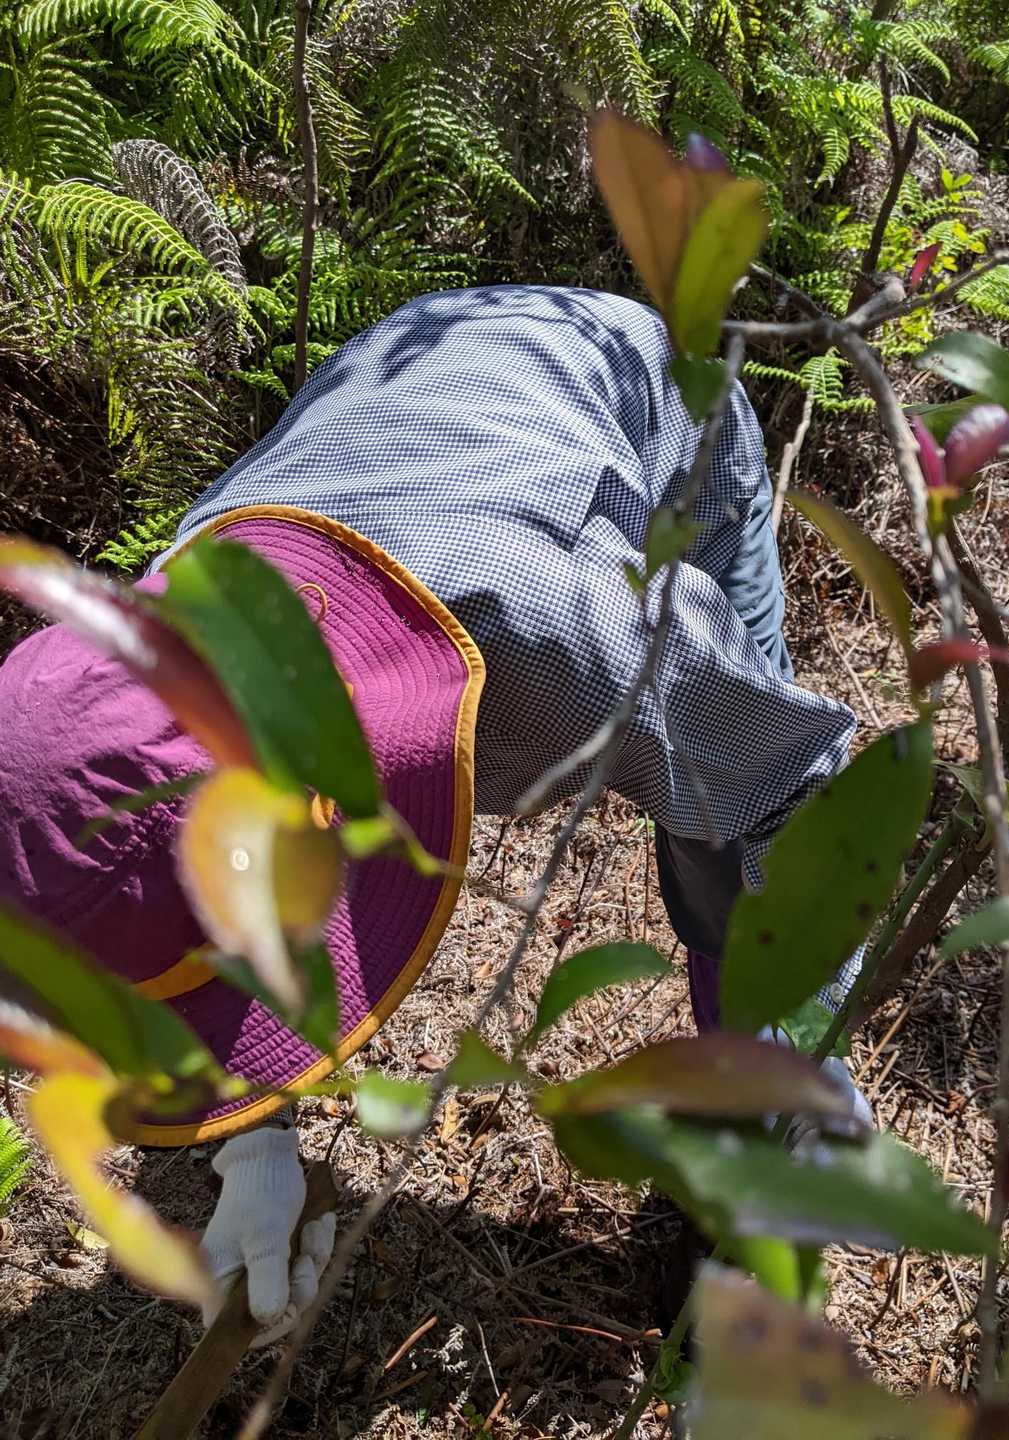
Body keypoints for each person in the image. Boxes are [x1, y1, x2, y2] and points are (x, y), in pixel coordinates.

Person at [0, 284, 869, 1346]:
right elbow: (184, 899)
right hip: (413, 401)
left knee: (721, 841)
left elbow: (792, 782)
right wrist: (255, 1150)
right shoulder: (149, 646)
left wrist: (803, 1047)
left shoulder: (569, 635)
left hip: (649, 401)